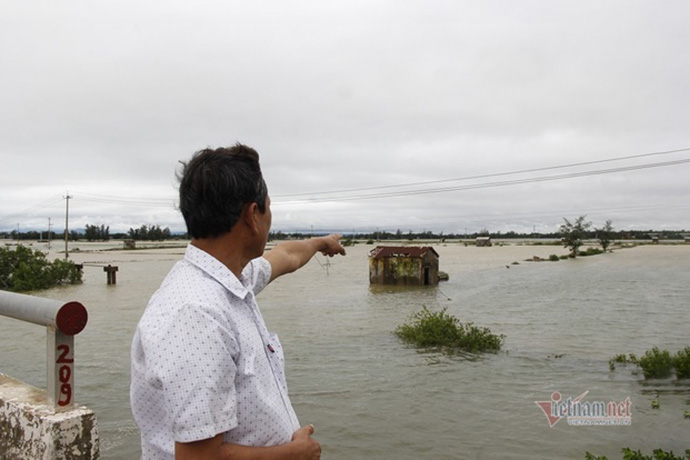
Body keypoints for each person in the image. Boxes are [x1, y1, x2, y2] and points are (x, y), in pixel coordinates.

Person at [130, 143, 346, 459]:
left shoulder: (231, 279)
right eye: (268, 208)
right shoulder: (196, 314)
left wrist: (319, 243)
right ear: (252, 216)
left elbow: (285, 255)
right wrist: (294, 453)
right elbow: (198, 457)